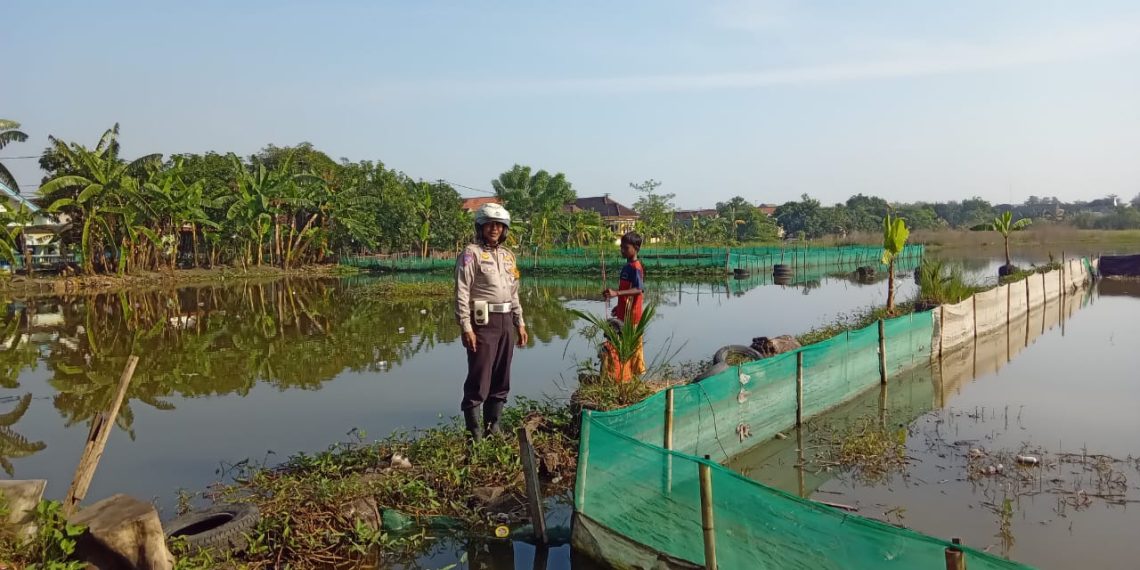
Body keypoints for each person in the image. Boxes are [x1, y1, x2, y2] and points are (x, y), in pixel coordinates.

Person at [455, 203, 528, 442]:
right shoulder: (471, 253)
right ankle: (474, 433)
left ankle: (493, 427)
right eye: (489, 224)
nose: (494, 229)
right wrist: (466, 326)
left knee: (501, 376)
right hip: (482, 322)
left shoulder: (508, 256)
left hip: (506, 319)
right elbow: (462, 291)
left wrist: (520, 322)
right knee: (480, 376)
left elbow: (514, 291)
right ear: (481, 227)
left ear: (504, 229)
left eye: (499, 225)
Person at [602, 231, 645, 376]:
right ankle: (623, 376)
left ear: (636, 248)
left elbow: (638, 289)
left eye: (626, 248)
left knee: (634, 348)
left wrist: (616, 293)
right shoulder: (627, 267)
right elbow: (627, 290)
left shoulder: (636, 267)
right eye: (621, 247)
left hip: (632, 316)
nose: (622, 250)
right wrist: (618, 305)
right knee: (622, 347)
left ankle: (636, 377)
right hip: (623, 313)